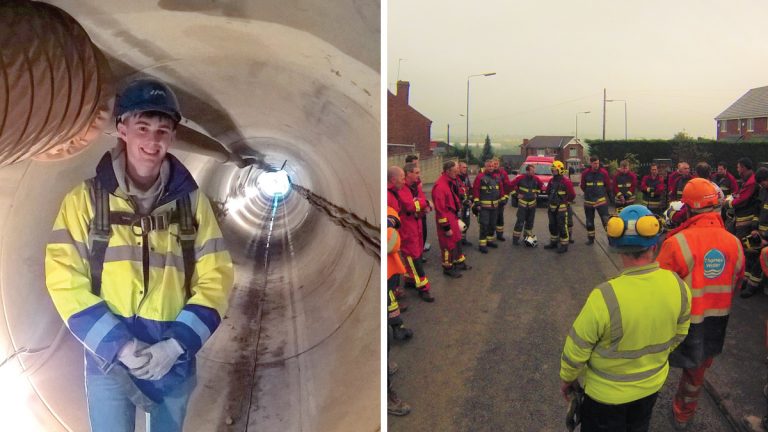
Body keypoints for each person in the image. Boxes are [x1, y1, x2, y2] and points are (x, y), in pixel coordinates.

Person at [44, 78, 234, 432]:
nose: (152, 140)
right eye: (143, 127)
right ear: (122, 129)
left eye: (163, 130)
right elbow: (63, 279)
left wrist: (177, 345)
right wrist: (119, 346)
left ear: (173, 137)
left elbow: (217, 276)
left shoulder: (191, 204)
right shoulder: (84, 201)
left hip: (173, 356)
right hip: (109, 359)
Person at [560, 204, 691, 432]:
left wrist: (567, 379)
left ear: (617, 247)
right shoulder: (679, 286)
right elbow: (680, 334)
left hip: (605, 399)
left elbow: (576, 350)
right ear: (655, 244)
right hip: (650, 389)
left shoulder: (604, 295)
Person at [656, 178, 745, 429]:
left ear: (688, 207)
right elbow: (735, 284)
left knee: (651, 365)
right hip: (714, 323)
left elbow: (658, 289)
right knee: (695, 375)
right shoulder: (734, 244)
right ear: (717, 204)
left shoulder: (677, 242)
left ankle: (639, 408)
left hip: (676, 323)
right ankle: (683, 415)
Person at [397, 163, 435, 302]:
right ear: (408, 174)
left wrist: (421, 204)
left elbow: (419, 203)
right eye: (417, 172)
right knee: (414, 258)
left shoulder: (415, 187)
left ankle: (409, 279)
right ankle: (423, 288)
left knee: (417, 253)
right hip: (407, 226)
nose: (419, 175)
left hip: (416, 223)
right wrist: (424, 204)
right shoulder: (402, 189)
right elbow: (409, 205)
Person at [724, 158, 759, 297]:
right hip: (743, 220)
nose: (737, 170)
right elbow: (740, 195)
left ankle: (744, 279)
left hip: (746, 221)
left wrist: (728, 204)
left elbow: (742, 199)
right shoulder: (749, 181)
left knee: (746, 249)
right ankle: (743, 277)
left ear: (744, 167)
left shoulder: (751, 182)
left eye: (738, 167)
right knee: (742, 248)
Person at [432, 160, 471, 278]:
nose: (457, 173)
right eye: (455, 171)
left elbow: (454, 196)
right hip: (447, 218)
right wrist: (446, 227)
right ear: (448, 171)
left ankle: (459, 261)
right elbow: (440, 210)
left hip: (453, 216)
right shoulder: (440, 186)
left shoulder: (450, 181)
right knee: (447, 244)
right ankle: (447, 267)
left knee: (457, 239)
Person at [544, 161, 575, 253]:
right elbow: (547, 192)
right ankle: (553, 243)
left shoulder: (566, 181)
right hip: (552, 208)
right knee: (552, 225)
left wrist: (565, 202)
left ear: (560, 170)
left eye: (555, 170)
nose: (553, 171)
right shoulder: (551, 180)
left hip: (561, 208)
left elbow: (572, 194)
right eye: (552, 170)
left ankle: (564, 245)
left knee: (562, 226)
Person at [509, 164, 544, 246]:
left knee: (530, 223)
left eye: (534, 170)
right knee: (520, 222)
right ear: (527, 171)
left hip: (532, 205)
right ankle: (515, 240)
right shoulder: (520, 178)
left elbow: (542, 187)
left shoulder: (536, 179)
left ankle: (528, 240)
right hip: (523, 205)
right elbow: (510, 186)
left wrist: (537, 193)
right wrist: (516, 194)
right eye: (532, 171)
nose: (534, 172)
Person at [580, 156, 612, 245]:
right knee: (589, 221)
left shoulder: (604, 173)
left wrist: (602, 194)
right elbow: (582, 186)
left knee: (606, 221)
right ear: (591, 163)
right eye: (594, 163)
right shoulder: (585, 173)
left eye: (597, 163)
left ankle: (611, 239)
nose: (596, 165)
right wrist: (588, 193)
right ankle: (591, 239)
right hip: (589, 202)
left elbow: (608, 186)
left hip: (601, 201)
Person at [472, 159, 502, 253]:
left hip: (495, 207)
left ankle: (489, 241)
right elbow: (475, 190)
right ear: (485, 167)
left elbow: (500, 189)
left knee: (492, 225)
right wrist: (477, 202)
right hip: (484, 207)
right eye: (489, 166)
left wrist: (502, 198)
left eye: (492, 166)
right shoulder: (480, 177)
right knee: (484, 225)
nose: (491, 168)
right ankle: (482, 245)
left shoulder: (496, 177)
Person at [406, 154, 432, 255]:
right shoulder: (405, 184)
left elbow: (420, 193)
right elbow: (409, 204)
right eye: (415, 163)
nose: (418, 165)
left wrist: (426, 206)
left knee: (422, 231)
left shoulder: (416, 179)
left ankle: (420, 251)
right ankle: (417, 254)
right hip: (414, 214)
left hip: (420, 211)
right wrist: (425, 204)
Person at [493, 158, 513, 241]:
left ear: (499, 164)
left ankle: (499, 235)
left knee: (500, 218)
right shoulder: (487, 173)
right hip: (490, 201)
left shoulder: (503, 173)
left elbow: (508, 186)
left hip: (500, 200)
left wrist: (506, 197)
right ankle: (488, 235)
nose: (495, 165)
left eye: (496, 163)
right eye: (494, 164)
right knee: (491, 218)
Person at [457, 161, 474, 246]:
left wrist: (471, 199)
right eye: (463, 167)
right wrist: (463, 200)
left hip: (467, 205)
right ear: (458, 168)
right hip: (459, 206)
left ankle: (463, 239)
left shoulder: (466, 177)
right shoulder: (456, 178)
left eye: (466, 167)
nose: (465, 169)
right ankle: (458, 242)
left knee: (467, 223)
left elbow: (470, 188)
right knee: (459, 224)